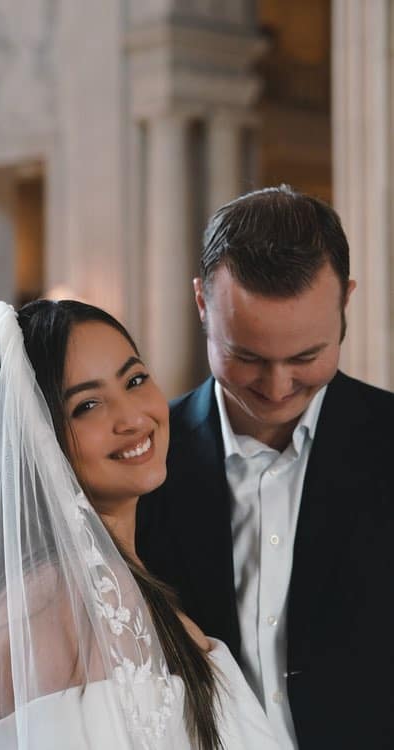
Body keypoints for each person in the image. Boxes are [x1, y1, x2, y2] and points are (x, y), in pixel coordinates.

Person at [0, 299, 280, 749]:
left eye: (134, 380)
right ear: (34, 438)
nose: (133, 418)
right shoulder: (70, 611)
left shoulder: (72, 592)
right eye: (88, 405)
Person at [137, 185, 394, 750]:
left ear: (345, 302)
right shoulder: (139, 462)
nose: (277, 388)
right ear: (202, 303)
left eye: (306, 357)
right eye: (246, 356)